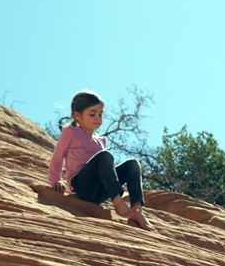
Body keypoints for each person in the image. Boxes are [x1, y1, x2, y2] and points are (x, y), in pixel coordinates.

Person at [48, 90, 152, 230]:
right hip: (82, 186)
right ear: (77, 115)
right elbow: (58, 156)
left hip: (100, 192)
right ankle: (118, 203)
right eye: (92, 114)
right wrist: (56, 179)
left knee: (132, 164)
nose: (98, 118)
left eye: (100, 114)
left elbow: (106, 170)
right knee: (104, 156)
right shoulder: (70, 132)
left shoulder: (101, 140)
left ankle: (137, 210)